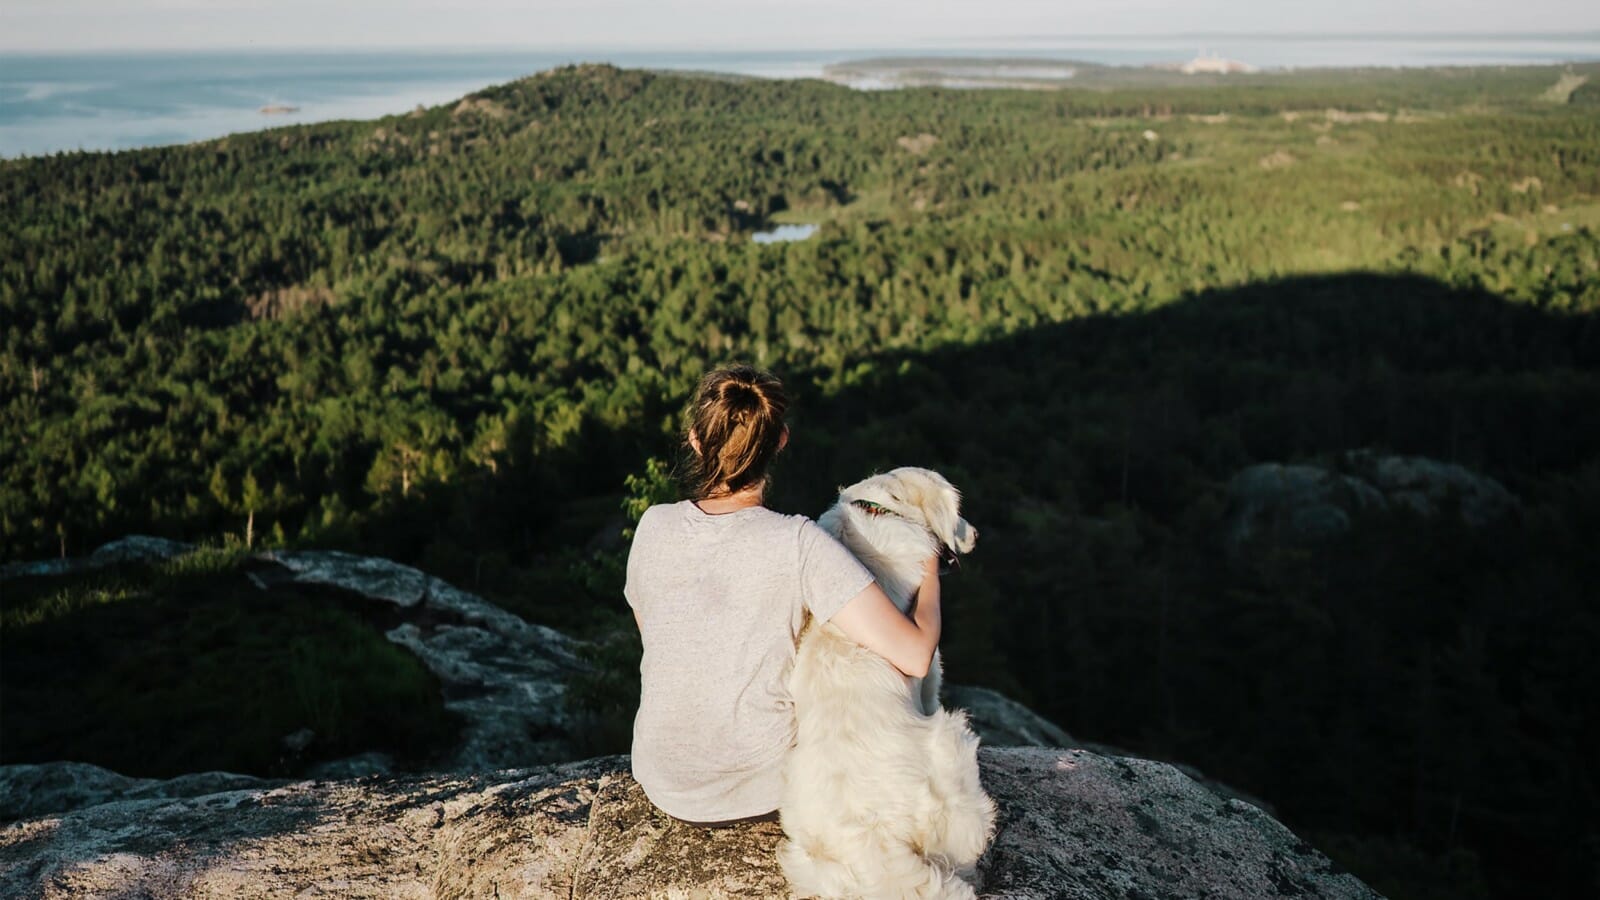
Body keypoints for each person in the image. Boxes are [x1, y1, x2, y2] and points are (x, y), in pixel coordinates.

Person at [625, 364, 944, 827]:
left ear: (695, 439)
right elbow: (915, 655)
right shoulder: (798, 542)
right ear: (780, 441)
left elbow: (655, 636)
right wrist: (928, 564)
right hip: (761, 789)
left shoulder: (652, 525)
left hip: (662, 778)